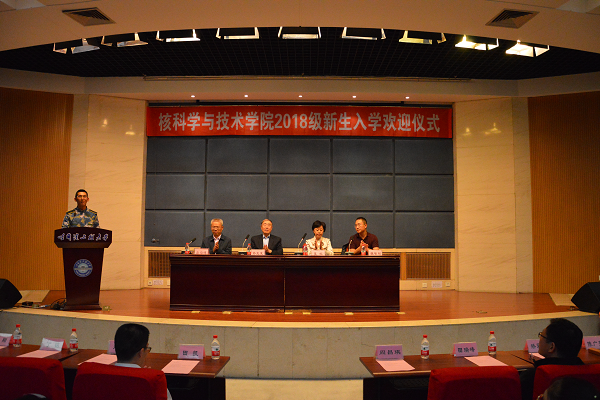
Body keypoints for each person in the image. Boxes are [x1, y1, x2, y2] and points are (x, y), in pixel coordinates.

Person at [520, 318, 584, 400]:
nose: (539, 340)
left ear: (551, 347)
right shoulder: (588, 373)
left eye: (542, 336)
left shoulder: (531, 377)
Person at [114, 323, 172, 400]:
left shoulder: (100, 375)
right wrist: (145, 374)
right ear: (141, 352)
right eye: (147, 348)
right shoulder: (154, 380)